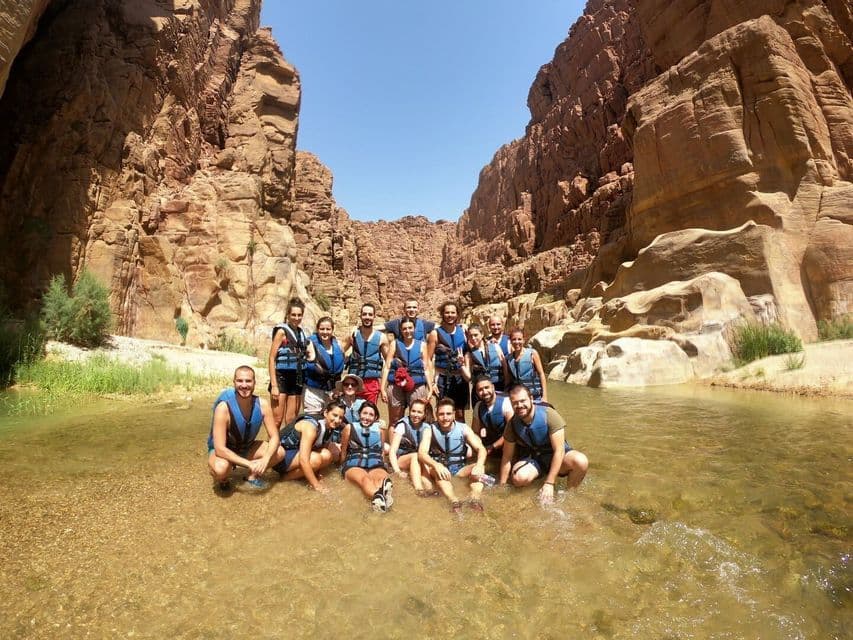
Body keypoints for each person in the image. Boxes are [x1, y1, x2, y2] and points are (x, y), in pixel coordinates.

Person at [498, 384, 588, 505]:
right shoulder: (512, 424)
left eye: (522, 401)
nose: (519, 405)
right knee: (518, 478)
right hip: (535, 459)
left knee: (581, 461)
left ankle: (569, 494)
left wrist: (549, 483)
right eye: (515, 403)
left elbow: (559, 451)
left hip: (555, 456)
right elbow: (507, 457)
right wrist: (502, 485)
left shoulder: (549, 415)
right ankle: (534, 488)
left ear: (531, 398)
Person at [207, 366, 285, 492]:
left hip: (246, 447)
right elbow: (220, 449)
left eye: (248, 381)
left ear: (254, 383)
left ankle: (252, 476)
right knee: (221, 469)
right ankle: (224, 480)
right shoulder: (223, 408)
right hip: (225, 451)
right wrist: (249, 464)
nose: (244, 385)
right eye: (240, 381)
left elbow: (275, 437)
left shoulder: (263, 405)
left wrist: (265, 460)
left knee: (280, 452)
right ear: (234, 382)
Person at [418, 397, 488, 512]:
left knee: (480, 469)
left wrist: (479, 465)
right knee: (439, 474)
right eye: (441, 414)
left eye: (448, 414)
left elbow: (481, 449)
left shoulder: (463, 428)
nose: (445, 417)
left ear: (454, 414)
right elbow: (421, 453)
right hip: (440, 469)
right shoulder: (429, 430)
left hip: (460, 469)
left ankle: (474, 499)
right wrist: (436, 465)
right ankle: (454, 501)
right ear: (436, 414)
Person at [272, 399, 346, 491]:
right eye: (334, 415)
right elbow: (303, 459)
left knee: (327, 454)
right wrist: (316, 485)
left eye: (340, 417)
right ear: (326, 413)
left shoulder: (329, 427)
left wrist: (318, 475)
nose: (337, 420)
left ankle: (300, 474)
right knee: (315, 459)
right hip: (279, 458)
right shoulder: (311, 427)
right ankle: (284, 478)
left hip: (294, 455)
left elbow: (320, 449)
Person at [340, 401, 394, 512]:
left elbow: (382, 451)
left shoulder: (380, 430)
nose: (367, 417)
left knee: (382, 480)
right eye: (364, 413)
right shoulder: (349, 428)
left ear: (375, 418)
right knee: (365, 479)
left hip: (375, 464)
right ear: (359, 414)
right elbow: (343, 450)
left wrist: (385, 466)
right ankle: (379, 497)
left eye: (371, 415)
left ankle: (380, 500)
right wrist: (341, 467)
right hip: (354, 466)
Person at [268, 298, 315, 427]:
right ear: (288, 315)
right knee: (277, 420)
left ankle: (287, 446)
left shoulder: (301, 333)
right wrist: (274, 385)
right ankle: (272, 445)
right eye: (293, 314)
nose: (296, 318)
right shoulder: (281, 332)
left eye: (299, 315)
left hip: (297, 378)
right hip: (281, 377)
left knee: (291, 420)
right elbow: (272, 358)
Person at [380, 316, 434, 425]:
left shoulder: (422, 345)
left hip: (417, 385)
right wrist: (382, 388)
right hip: (396, 384)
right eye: (404, 328)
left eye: (410, 328)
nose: (407, 331)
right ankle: (394, 442)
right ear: (401, 330)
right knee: (395, 420)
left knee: (417, 418)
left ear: (414, 329)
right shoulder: (394, 344)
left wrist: (430, 387)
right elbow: (387, 366)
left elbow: (426, 368)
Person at [343, 303, 390, 404]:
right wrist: (347, 359)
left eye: (370, 314)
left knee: (369, 415)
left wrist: (383, 388)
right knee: (351, 414)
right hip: (353, 382)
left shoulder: (382, 338)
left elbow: (388, 364)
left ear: (374, 316)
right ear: (360, 316)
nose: (367, 317)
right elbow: (339, 353)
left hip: (372, 384)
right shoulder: (352, 335)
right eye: (364, 314)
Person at [302, 316, 346, 418]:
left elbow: (341, 363)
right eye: (322, 329)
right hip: (313, 391)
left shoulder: (338, 345)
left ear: (332, 330)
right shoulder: (309, 344)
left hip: (332, 392)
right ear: (317, 329)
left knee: (330, 422)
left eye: (328, 329)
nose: (325, 332)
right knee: (313, 421)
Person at [432, 301, 468, 421]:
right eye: (447, 312)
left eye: (453, 312)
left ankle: (460, 439)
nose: (450, 315)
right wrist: (432, 382)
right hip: (442, 379)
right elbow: (428, 359)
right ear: (442, 314)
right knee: (443, 413)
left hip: (460, 379)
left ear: (457, 314)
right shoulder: (435, 334)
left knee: (460, 414)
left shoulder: (463, 331)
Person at [387, 398, 433, 495]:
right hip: (400, 459)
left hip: (416, 458)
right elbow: (392, 451)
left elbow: (424, 452)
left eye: (419, 412)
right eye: (413, 411)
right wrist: (397, 471)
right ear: (409, 411)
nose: (416, 415)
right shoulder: (402, 425)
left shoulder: (426, 427)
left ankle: (430, 489)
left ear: (424, 414)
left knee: (422, 459)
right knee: (415, 456)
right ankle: (418, 489)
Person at [462, 323, 508, 407]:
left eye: (476, 335)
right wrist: (461, 365)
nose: (473, 338)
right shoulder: (469, 354)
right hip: (480, 392)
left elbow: (505, 367)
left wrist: (506, 385)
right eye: (470, 336)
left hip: (498, 387)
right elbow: (468, 378)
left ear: (482, 334)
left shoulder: (495, 346)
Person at [470, 375, 513, 459]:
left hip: (507, 443)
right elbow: (475, 432)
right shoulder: (478, 406)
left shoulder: (506, 403)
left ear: (493, 387)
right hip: (488, 444)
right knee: (469, 451)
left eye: (487, 387)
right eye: (480, 390)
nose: (484, 392)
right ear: (476, 392)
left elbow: (511, 432)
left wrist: (493, 447)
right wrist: (480, 447)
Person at [506, 327, 547, 402]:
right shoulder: (509, 358)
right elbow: (509, 380)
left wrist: (544, 396)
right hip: (519, 396)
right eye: (514, 339)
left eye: (519, 339)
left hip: (534, 396)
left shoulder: (532, 353)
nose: (517, 342)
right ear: (510, 341)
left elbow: (541, 374)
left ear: (524, 340)